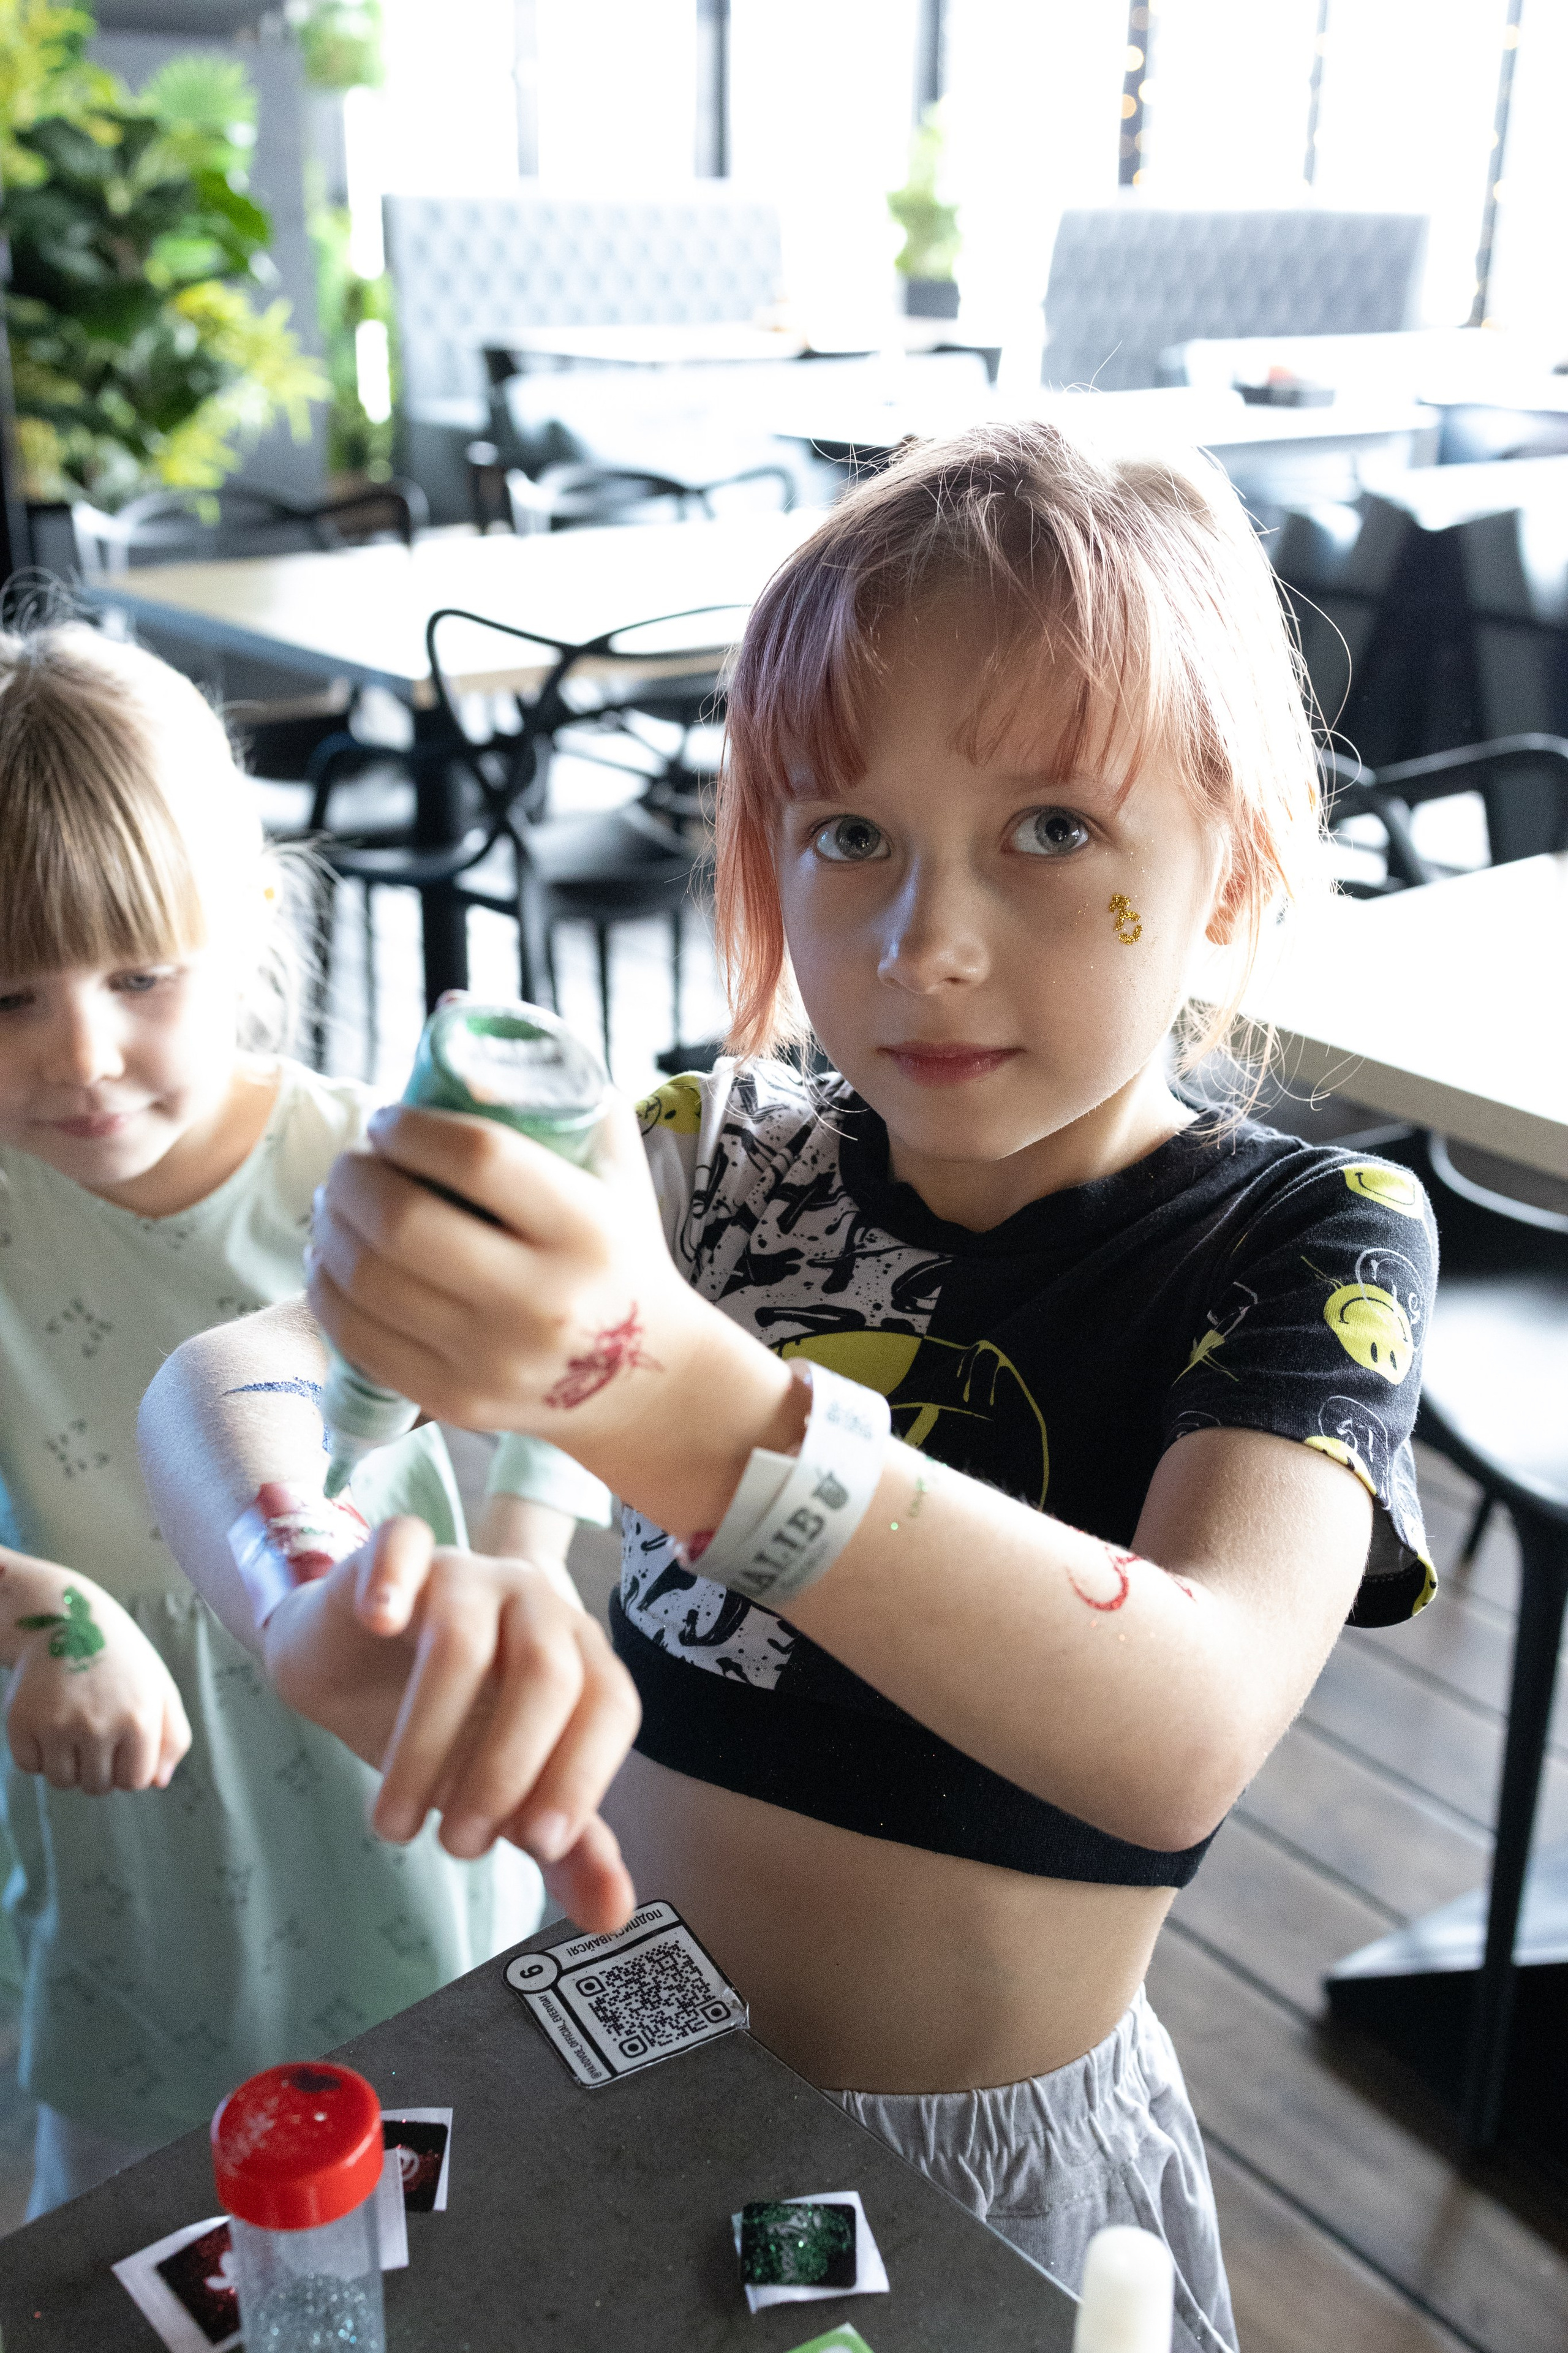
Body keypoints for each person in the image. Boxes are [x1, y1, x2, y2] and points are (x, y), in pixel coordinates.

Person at [140, 426, 1436, 2351]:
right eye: (849, 836)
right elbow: (225, 1375)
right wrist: (300, 1579)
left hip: (1001, 2164)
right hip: (627, 2054)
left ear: (1234, 875)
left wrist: (684, 1406)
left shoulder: (1311, 1238)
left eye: (1053, 829)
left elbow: (1185, 1716)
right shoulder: (707, 1154)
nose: (927, 944)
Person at [0, 621, 587, 2214]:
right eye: (9, 997)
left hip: (383, 1808)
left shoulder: (366, 1161)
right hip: (128, 1860)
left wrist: (523, 1561)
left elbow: (569, 1352)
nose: (84, 1053)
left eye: (139, 974)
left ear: (254, 916)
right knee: (117, 2230)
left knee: (435, 2204)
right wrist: (41, 1609)